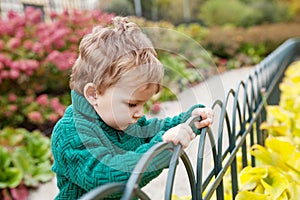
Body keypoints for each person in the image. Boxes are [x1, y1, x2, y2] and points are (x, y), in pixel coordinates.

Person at [51, 16, 213, 200]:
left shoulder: (122, 119)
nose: (139, 113)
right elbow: (108, 177)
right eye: (132, 104)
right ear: (94, 94)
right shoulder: (70, 134)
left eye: (144, 104)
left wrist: (188, 119)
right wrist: (162, 146)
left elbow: (154, 129)